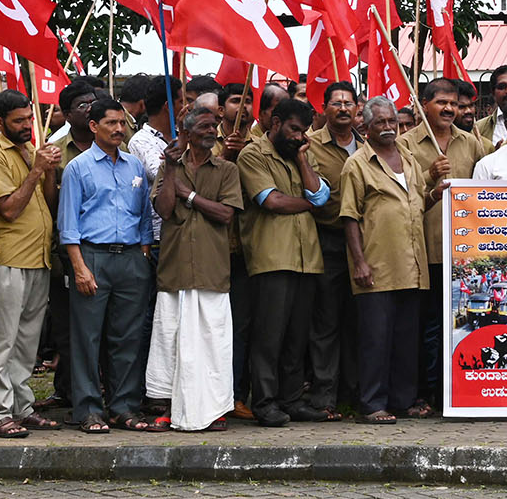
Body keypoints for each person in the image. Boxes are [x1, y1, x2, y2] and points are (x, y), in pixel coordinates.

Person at [60, 96, 161, 433]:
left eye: (122, 123)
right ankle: (88, 409)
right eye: (111, 124)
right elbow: (69, 223)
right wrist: (79, 267)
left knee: (128, 338)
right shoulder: (78, 167)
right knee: (87, 338)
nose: (119, 129)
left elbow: (145, 215)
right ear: (93, 126)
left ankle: (124, 407)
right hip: (92, 256)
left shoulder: (134, 166)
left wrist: (144, 253)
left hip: (132, 258)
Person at [339, 97, 438, 424]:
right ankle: (372, 404)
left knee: (405, 340)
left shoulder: (408, 158)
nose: (387, 128)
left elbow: (419, 201)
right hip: (377, 265)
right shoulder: (357, 164)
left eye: (391, 121)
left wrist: (438, 192)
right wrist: (359, 262)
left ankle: (401, 400)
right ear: (365, 128)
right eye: (379, 122)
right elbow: (349, 216)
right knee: (375, 340)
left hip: (412, 265)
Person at [149, 100, 242, 432]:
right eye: (203, 126)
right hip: (175, 270)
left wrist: (190, 197)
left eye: (212, 126)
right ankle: (169, 409)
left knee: (211, 343)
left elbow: (226, 214)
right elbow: (163, 210)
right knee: (171, 342)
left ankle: (215, 409)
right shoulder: (169, 167)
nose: (211, 131)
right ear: (185, 132)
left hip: (211, 270)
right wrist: (172, 172)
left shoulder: (227, 170)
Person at [238, 98, 330, 427]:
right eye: (293, 129)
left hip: (307, 259)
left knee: (297, 336)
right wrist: (310, 203)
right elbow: (271, 201)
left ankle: (291, 400)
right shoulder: (252, 154)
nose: (298, 136)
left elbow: (321, 196)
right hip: (271, 259)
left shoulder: (300, 154)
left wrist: (304, 158)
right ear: (275, 123)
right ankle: (264, 403)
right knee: (269, 336)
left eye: (303, 132)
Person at [0, 90, 65, 437]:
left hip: (38, 257)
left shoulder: (31, 150)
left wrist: (49, 172)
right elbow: (10, 209)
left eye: (29, 119)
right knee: (1, 340)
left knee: (27, 341)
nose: (27, 126)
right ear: (0, 123)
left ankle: (21, 406)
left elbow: (49, 201)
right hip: (9, 257)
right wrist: (36, 172)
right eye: (19, 121)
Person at [403, 77, 476, 415]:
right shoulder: (405, 145)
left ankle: (456, 393)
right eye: (441, 103)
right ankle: (425, 394)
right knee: (425, 328)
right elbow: (401, 200)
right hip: (425, 251)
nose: (449, 109)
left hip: (463, 253)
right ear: (423, 104)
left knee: (456, 326)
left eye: (454, 104)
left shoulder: (474, 143)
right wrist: (430, 177)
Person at [301, 81, 363, 419]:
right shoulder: (311, 147)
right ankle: (324, 395)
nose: (342, 108)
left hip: (365, 245)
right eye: (336, 103)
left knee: (358, 322)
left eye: (348, 103)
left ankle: (353, 393)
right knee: (326, 322)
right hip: (327, 239)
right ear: (323, 108)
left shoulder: (367, 146)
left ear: (357, 109)